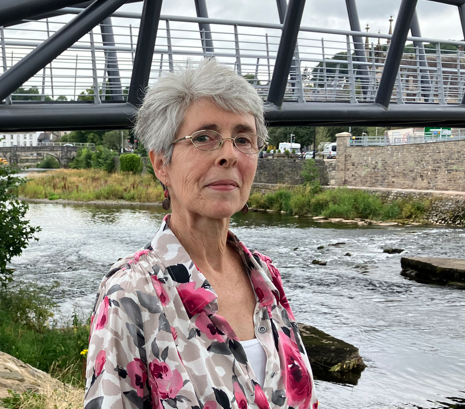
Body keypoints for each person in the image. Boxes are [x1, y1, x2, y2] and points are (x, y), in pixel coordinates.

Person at [84, 59, 318, 409]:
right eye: (204, 138)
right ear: (162, 163)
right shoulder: (132, 292)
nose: (228, 155)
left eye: (243, 138)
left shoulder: (266, 276)